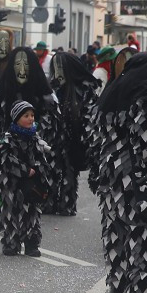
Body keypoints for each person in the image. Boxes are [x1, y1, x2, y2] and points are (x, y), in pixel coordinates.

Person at [93, 53, 147, 293]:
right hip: (136, 173)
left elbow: (97, 135)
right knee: (141, 229)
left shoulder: (111, 92)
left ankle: (117, 283)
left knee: (115, 228)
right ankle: (142, 289)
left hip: (110, 173)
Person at [0, 100, 52, 257]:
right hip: (12, 184)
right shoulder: (8, 139)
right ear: (17, 118)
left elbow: (42, 159)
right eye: (26, 115)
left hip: (30, 186)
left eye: (32, 115)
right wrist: (25, 170)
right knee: (11, 213)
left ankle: (32, 244)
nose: (31, 118)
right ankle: (12, 243)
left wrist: (38, 169)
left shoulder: (35, 138)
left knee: (31, 214)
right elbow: (5, 160)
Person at [47, 51, 98, 216]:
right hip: (54, 137)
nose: (58, 71)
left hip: (73, 137)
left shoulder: (82, 89)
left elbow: (90, 112)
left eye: (60, 67)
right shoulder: (52, 88)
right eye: (55, 67)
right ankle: (49, 201)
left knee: (69, 171)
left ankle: (67, 203)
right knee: (52, 168)